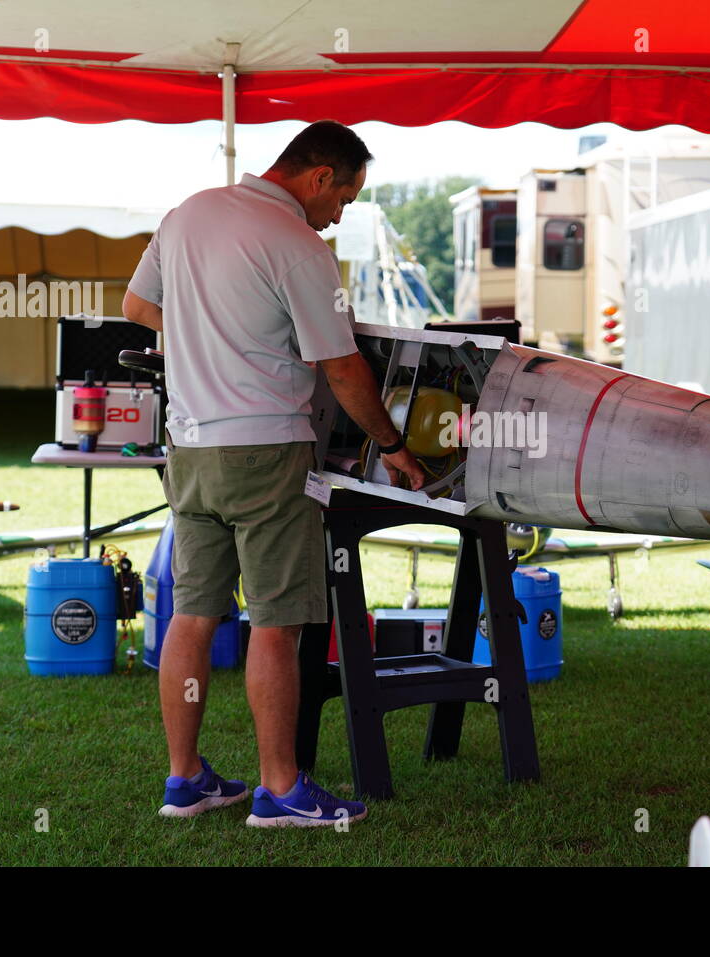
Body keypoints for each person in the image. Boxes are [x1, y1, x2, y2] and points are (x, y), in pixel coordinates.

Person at [123, 120, 425, 828]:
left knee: (193, 613)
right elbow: (342, 367)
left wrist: (211, 332)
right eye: (344, 198)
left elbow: (138, 308)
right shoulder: (299, 245)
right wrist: (394, 444)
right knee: (277, 621)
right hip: (268, 449)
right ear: (320, 176)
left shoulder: (188, 212)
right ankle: (281, 788)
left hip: (190, 447)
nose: (340, 214)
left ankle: (185, 778)